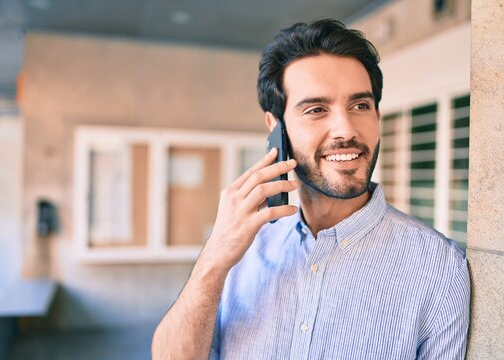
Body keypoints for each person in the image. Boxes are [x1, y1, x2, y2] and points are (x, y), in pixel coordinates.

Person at [152, 19, 470, 360]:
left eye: (360, 106)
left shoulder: (440, 269)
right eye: (317, 109)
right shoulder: (242, 250)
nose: (345, 129)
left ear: (377, 115)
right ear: (277, 128)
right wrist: (213, 261)